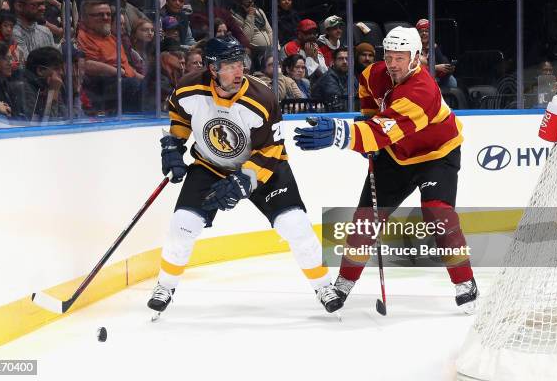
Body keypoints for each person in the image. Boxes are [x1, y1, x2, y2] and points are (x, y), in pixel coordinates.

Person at [146, 36, 343, 316]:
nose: (238, 72)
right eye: (229, 65)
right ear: (213, 69)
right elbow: (180, 117)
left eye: (240, 64)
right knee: (183, 224)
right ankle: (165, 286)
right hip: (211, 164)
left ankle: (323, 286)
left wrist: (246, 179)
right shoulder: (188, 88)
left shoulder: (262, 99)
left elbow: (271, 148)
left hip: (265, 166)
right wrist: (173, 146)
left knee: (295, 226)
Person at [293, 26, 479, 314]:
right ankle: (344, 281)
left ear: (416, 56)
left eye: (400, 57)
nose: (392, 64)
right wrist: (368, 116)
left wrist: (340, 134)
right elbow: (367, 92)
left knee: (438, 214)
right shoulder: (375, 72)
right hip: (396, 155)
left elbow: (383, 131)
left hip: (436, 156)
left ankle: (465, 282)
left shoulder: (422, 91)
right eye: (389, 56)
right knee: (365, 221)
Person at [12, 0, 56, 66]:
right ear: (19, 6)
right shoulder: (13, 33)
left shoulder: (46, 31)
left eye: (43, 4)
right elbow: (26, 66)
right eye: (35, 5)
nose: (43, 8)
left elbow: (55, 62)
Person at [416, 18, 456, 89]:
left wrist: (448, 69)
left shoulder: (434, 47)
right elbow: (417, 70)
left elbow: (442, 62)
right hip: (419, 78)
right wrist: (436, 68)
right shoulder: (414, 48)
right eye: (421, 31)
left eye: (426, 31)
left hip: (435, 77)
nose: (424, 33)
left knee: (451, 81)